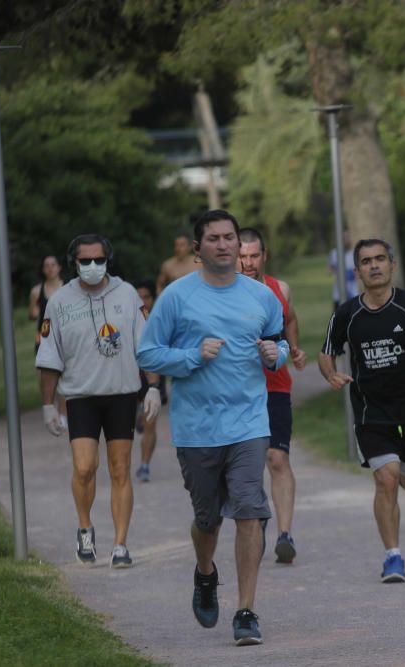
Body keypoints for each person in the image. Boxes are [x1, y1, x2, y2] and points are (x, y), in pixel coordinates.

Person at [138, 210, 288, 646]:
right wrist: (189, 357)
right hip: (196, 427)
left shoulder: (261, 297)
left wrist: (272, 353)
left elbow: (279, 342)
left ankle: (246, 611)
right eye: (215, 239)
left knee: (249, 511)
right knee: (207, 519)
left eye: (230, 238)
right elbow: (148, 353)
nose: (224, 245)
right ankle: (205, 573)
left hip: (248, 423)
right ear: (198, 247)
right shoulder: (177, 297)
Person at [319, 238, 405, 584]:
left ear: (392, 265)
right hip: (371, 410)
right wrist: (331, 374)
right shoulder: (347, 314)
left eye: (380, 259)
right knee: (386, 477)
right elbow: (326, 351)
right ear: (358, 271)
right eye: (367, 261)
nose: (375, 265)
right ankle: (392, 556)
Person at [35, 234, 161, 569]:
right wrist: (48, 405)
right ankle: (85, 526)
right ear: (73, 263)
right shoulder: (60, 302)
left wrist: (152, 386)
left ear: (108, 260)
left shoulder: (127, 294)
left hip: (120, 393)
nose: (93, 267)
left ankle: (120, 544)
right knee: (85, 467)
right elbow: (48, 359)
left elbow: (145, 345)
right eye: (85, 261)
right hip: (81, 396)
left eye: (99, 260)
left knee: (120, 469)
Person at [238, 227, 308, 564]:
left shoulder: (279, 289)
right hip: (237, 390)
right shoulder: (223, 291)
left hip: (275, 386)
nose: (248, 263)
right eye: (242, 256)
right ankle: (254, 522)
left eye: (254, 255)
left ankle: (285, 534)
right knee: (247, 463)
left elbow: (290, 318)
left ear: (264, 255)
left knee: (277, 459)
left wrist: (294, 348)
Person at [29, 254, 67, 430]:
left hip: (63, 336)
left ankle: (63, 414)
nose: (50, 268)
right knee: (43, 377)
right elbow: (33, 314)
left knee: (63, 377)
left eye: (53, 264)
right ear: (43, 270)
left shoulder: (67, 288)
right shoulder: (37, 291)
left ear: (59, 267)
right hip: (43, 338)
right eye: (47, 265)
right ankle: (49, 409)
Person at [133, 280, 165, 483]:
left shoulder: (161, 320)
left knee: (151, 423)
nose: (143, 301)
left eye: (146, 296)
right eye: (139, 297)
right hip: (129, 377)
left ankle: (145, 465)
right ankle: (137, 416)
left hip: (154, 377)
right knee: (138, 421)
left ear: (153, 299)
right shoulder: (126, 318)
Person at [329, 230, 359, 307]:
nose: (345, 240)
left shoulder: (355, 253)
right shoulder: (334, 253)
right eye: (343, 238)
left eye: (347, 237)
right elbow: (329, 270)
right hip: (339, 293)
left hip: (353, 292)